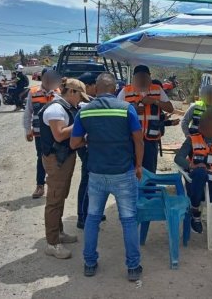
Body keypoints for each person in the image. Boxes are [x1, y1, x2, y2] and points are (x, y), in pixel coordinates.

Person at [71, 73, 145, 281]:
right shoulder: (126, 109)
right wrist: (138, 165)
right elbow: (139, 141)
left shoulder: (85, 112)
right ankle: (132, 267)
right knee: (129, 220)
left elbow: (74, 143)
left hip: (96, 173)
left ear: (96, 88)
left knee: (92, 218)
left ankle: (89, 263)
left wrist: (89, 140)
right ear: (114, 89)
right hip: (123, 173)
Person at [38, 77, 90, 259]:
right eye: (80, 96)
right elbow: (59, 135)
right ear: (71, 92)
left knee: (61, 195)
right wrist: (80, 124)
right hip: (56, 159)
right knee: (54, 199)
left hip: (65, 157)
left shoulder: (68, 108)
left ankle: (58, 232)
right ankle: (52, 243)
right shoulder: (55, 109)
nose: (81, 100)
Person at [174, 110, 212, 250]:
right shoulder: (192, 139)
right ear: (200, 127)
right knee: (200, 172)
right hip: (196, 187)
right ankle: (195, 211)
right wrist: (191, 165)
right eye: (208, 126)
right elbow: (178, 158)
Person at [118, 65, 174, 173]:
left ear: (149, 77)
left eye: (144, 77)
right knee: (131, 172)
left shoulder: (157, 90)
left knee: (149, 173)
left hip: (150, 141)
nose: (142, 80)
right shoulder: (126, 91)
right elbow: (116, 112)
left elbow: (170, 108)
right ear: (134, 78)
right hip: (131, 140)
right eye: (139, 78)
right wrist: (131, 108)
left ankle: (149, 190)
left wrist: (155, 101)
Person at [23, 69, 60, 199]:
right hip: (40, 134)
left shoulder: (59, 92)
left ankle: (55, 186)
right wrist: (28, 130)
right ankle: (40, 185)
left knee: (57, 158)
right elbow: (28, 113)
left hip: (57, 133)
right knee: (42, 158)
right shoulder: (33, 92)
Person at [75, 72, 101, 229]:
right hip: (86, 147)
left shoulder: (91, 101)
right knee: (87, 181)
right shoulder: (84, 104)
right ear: (89, 87)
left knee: (93, 181)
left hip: (89, 146)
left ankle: (91, 212)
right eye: (95, 86)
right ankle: (82, 216)